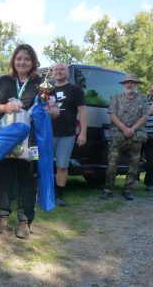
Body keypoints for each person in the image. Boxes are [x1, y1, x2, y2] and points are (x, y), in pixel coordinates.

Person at [0, 44, 59, 239]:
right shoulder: (4, 81)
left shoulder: (41, 83)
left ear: (33, 62)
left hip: (31, 140)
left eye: (27, 59)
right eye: (19, 58)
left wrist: (47, 111)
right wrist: (5, 107)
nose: (22, 62)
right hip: (4, 139)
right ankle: (1, 217)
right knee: (0, 177)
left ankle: (24, 220)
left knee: (28, 179)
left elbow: (55, 110)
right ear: (14, 60)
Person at [102, 74, 148, 200]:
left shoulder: (143, 99)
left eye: (132, 82)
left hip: (136, 136)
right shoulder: (116, 97)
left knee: (134, 165)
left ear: (136, 84)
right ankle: (108, 190)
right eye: (127, 82)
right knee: (112, 163)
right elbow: (112, 114)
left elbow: (145, 116)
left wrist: (132, 129)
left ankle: (128, 190)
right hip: (118, 135)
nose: (130, 84)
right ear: (124, 84)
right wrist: (124, 129)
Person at [50, 63, 87, 206]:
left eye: (62, 69)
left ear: (67, 73)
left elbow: (83, 112)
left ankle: (59, 196)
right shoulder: (46, 90)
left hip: (67, 134)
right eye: (56, 69)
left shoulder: (75, 90)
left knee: (62, 166)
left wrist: (83, 133)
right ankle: (43, 192)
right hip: (47, 134)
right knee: (44, 165)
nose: (59, 72)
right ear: (53, 73)